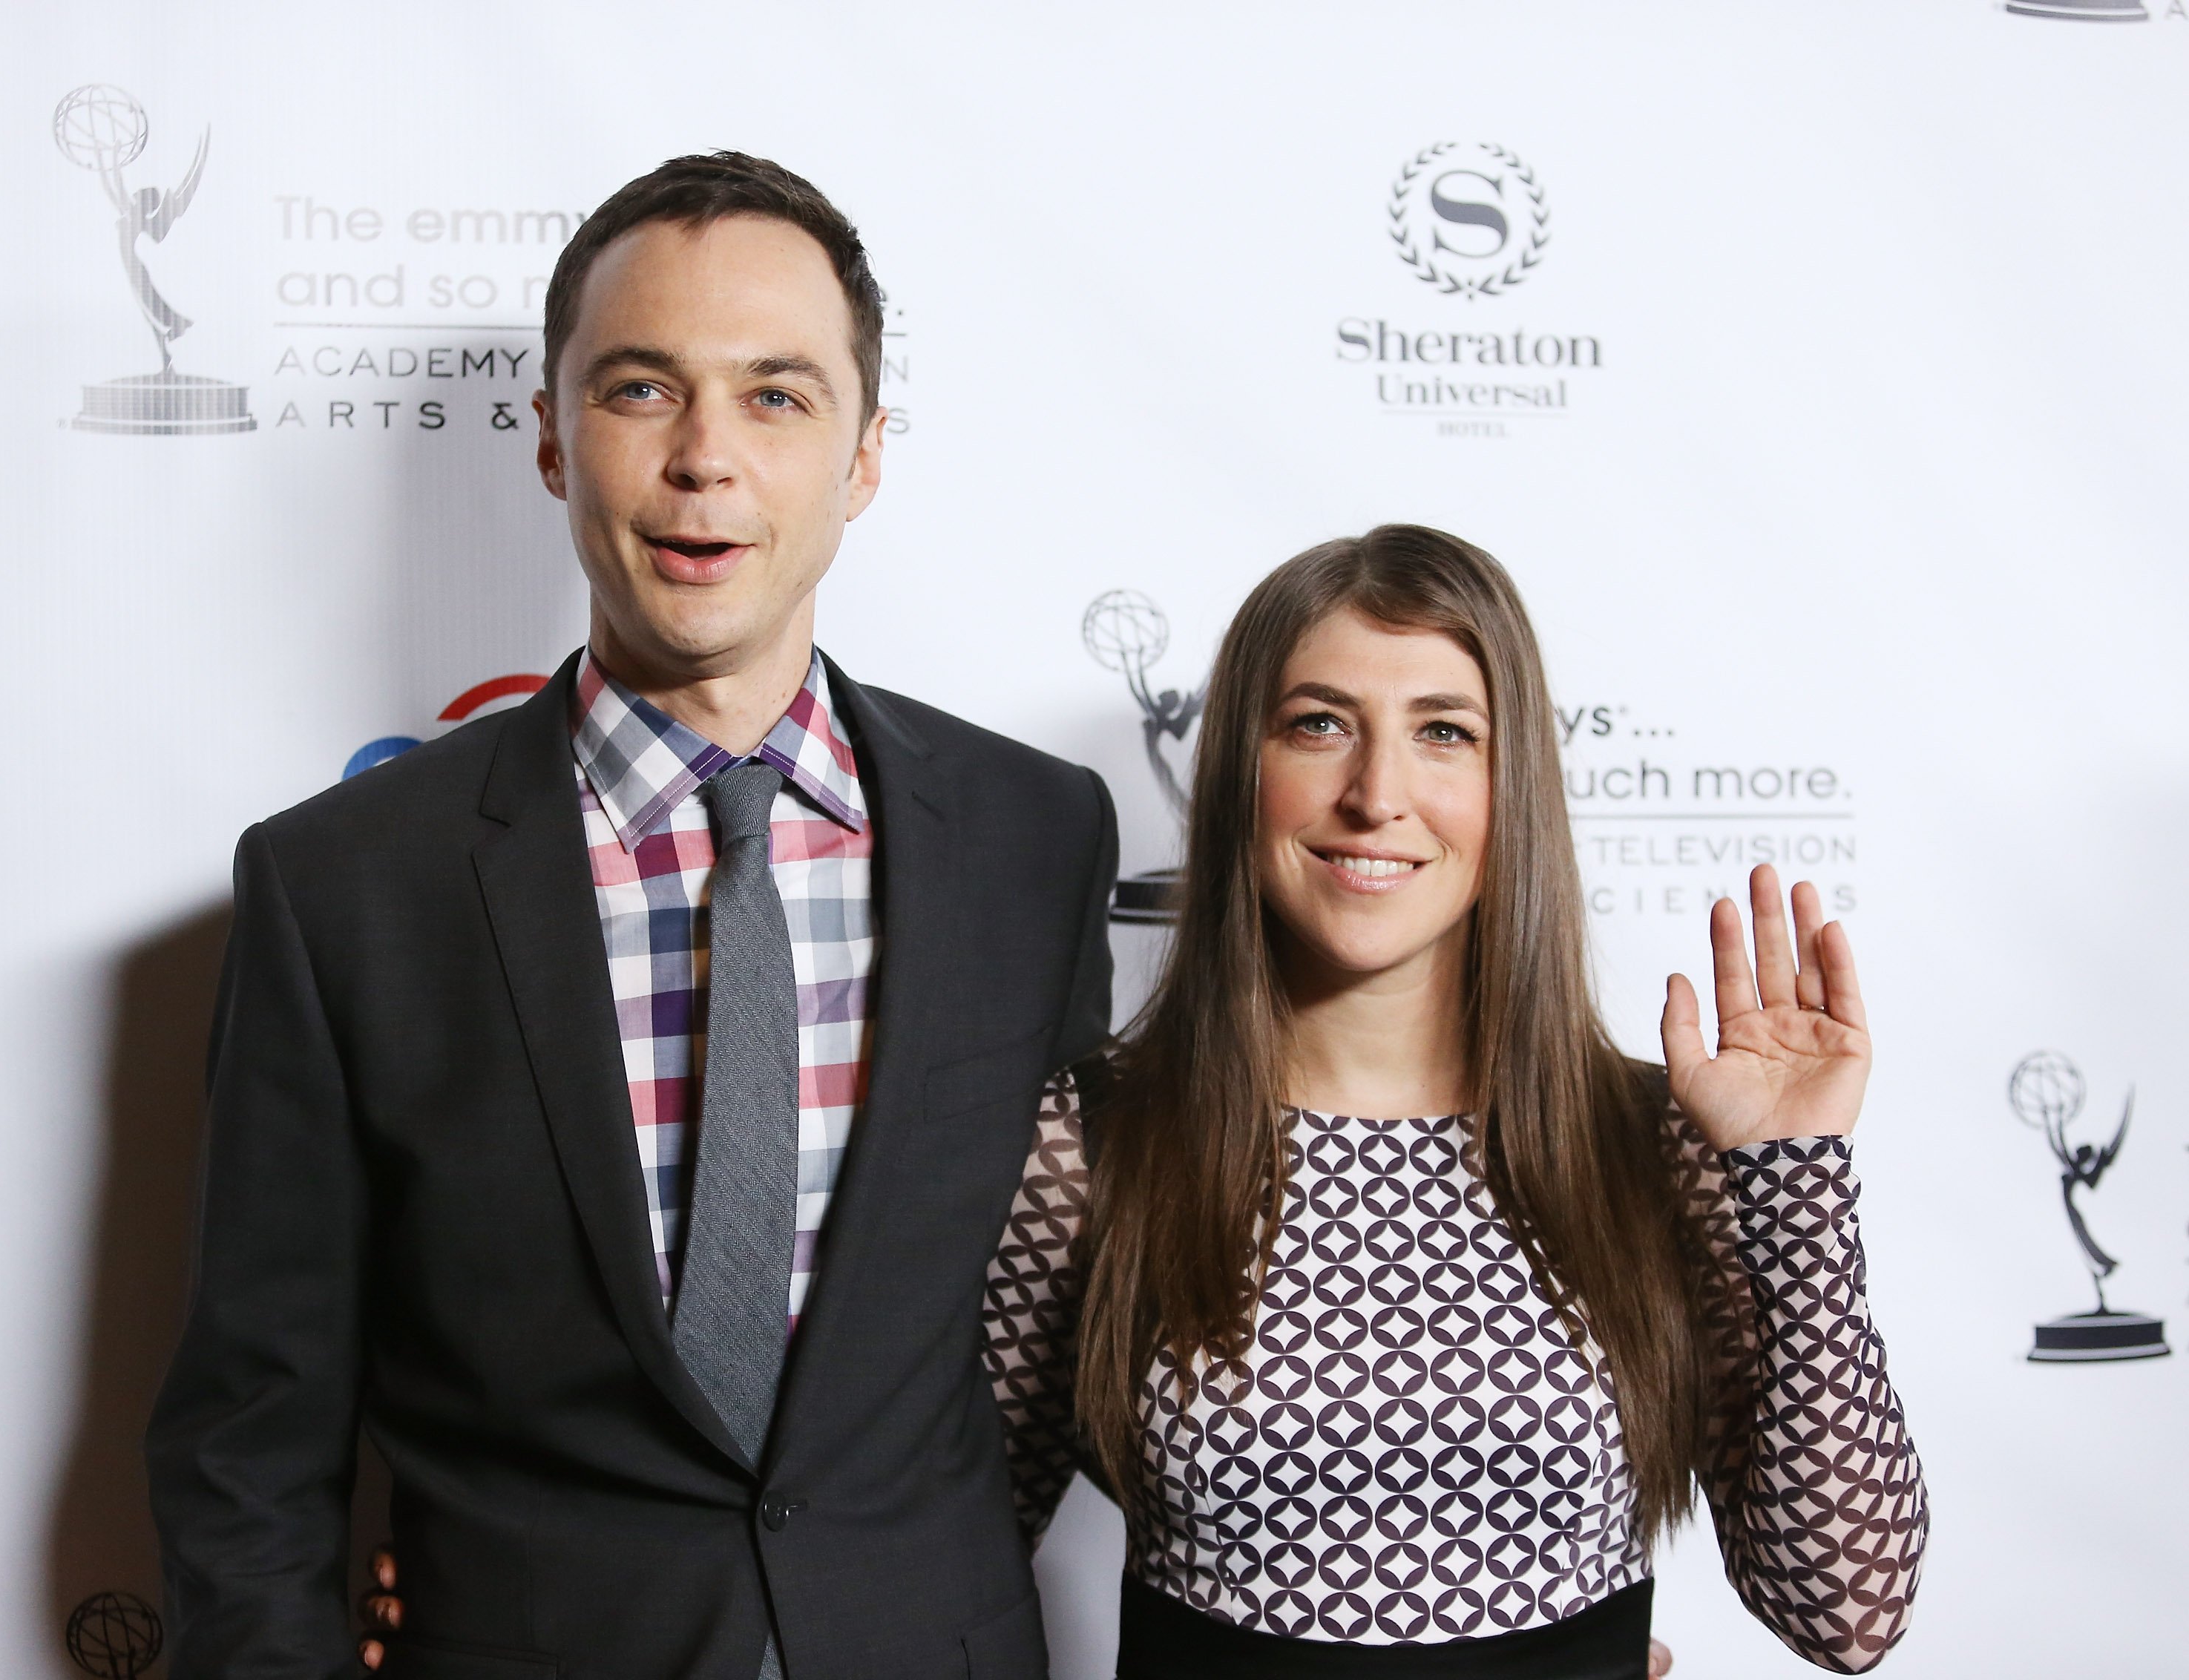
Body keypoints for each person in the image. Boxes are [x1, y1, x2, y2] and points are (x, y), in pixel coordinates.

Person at [145, 153, 1117, 1680]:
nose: (705, 460)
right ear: (547, 436)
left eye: (779, 397)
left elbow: (1075, 1332)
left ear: (866, 457)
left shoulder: (1034, 838)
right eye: (640, 390)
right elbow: (247, 1445)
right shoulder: (344, 886)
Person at [983, 527, 1928, 1676]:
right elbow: (946, 1568)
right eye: (1319, 724)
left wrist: (1795, 1187)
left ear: (1511, 783)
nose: (1378, 795)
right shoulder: (1088, 1137)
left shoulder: (1653, 1143)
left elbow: (1846, 1609)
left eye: (1445, 733)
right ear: (1244, 767)